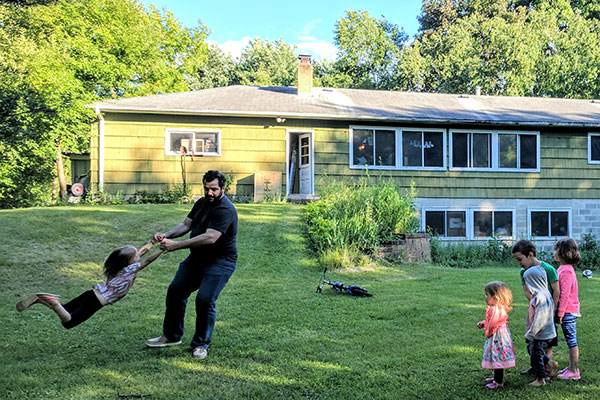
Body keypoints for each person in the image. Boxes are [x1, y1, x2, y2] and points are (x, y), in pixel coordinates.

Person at [146, 170, 238, 360]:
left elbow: (210, 237)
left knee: (204, 299)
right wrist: (166, 235)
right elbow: (186, 225)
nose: (209, 193)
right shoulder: (202, 203)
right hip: (197, 259)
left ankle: (201, 344)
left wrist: (176, 246)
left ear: (223, 188)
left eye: (214, 189)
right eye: (206, 188)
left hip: (220, 262)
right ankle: (171, 336)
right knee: (175, 291)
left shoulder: (226, 210)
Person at [16, 242, 163, 329]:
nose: (139, 255)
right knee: (69, 323)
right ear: (130, 262)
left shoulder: (119, 267)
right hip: (96, 301)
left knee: (66, 310)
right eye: (136, 256)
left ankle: (41, 299)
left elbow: (141, 253)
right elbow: (148, 260)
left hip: (91, 294)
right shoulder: (131, 269)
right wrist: (162, 249)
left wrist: (151, 242)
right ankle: (53, 302)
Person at [511, 239, 559, 376]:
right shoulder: (524, 272)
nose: (519, 263)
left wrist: (553, 308)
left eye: (520, 259)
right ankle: (537, 367)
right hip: (538, 308)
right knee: (532, 346)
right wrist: (534, 302)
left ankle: (546, 370)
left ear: (530, 255)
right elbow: (527, 290)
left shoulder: (548, 269)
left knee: (544, 344)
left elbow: (556, 290)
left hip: (547, 311)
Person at [523, 265, 558, 387]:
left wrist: (532, 333)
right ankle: (550, 363)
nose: (526, 285)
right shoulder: (544, 293)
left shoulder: (540, 297)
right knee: (534, 351)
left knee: (535, 356)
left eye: (527, 282)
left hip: (540, 333)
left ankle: (540, 378)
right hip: (541, 332)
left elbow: (540, 318)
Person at [477, 281, 516, 389]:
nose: (485, 297)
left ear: (496, 297)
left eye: (487, 295)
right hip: (500, 335)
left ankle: (498, 382)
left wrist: (488, 332)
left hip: (497, 337)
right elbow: (493, 321)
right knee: (496, 356)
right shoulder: (499, 307)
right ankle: (496, 378)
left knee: (497, 357)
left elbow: (493, 323)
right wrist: (484, 323)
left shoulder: (495, 309)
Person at [554, 238, 582, 380]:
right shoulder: (564, 268)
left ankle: (574, 370)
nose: (554, 252)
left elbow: (564, 295)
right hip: (567, 311)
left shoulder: (566, 271)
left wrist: (560, 313)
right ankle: (571, 367)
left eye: (556, 249)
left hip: (568, 311)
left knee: (571, 340)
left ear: (565, 252)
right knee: (569, 338)